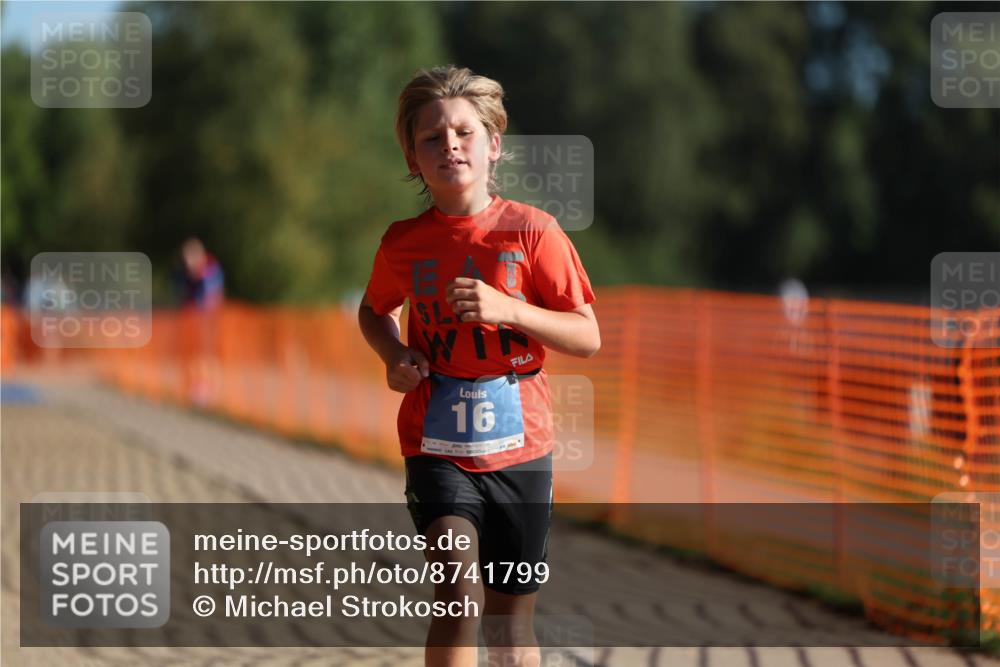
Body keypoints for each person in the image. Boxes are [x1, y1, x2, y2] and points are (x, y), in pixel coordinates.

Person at [358, 65, 600, 667]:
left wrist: (509, 309)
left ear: (493, 146)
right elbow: (372, 311)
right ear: (413, 159)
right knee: (458, 596)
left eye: (464, 132)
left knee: (509, 623)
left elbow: (587, 335)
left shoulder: (533, 232)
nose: (450, 146)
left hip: (521, 446)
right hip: (435, 442)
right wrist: (394, 355)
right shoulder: (402, 243)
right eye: (432, 138)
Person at [174, 237, 225, 405]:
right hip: (191, 321)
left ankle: (208, 390)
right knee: (193, 355)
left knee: (206, 355)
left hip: (207, 320)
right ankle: (195, 388)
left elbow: (211, 298)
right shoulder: (185, 275)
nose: (188, 263)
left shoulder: (210, 271)